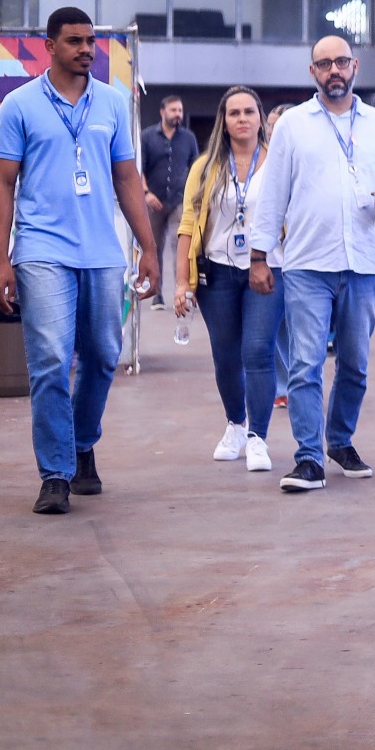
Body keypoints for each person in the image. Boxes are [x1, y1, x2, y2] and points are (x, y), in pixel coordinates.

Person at [0, 6, 160, 514]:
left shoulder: (111, 102)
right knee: (50, 363)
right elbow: (2, 183)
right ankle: (56, 474)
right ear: (50, 46)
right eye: (75, 41)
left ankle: (82, 442)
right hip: (42, 250)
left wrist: (148, 248)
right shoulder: (18, 105)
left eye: (91, 41)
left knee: (104, 354)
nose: (86, 49)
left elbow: (127, 179)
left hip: (102, 251)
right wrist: (2, 260)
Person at [248, 36, 375, 494]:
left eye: (341, 62)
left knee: (355, 364)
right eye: (324, 64)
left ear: (355, 66)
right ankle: (308, 458)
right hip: (306, 264)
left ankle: (339, 440)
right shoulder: (294, 125)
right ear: (312, 72)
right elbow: (273, 194)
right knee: (305, 362)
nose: (333, 70)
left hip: (363, 262)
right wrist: (259, 258)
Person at [174, 86, 283, 474]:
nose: (242, 119)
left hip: (266, 269)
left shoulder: (277, 162)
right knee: (225, 355)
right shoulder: (205, 167)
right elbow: (188, 224)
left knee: (257, 351)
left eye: (249, 112)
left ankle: (259, 438)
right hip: (214, 273)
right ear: (224, 120)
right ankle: (236, 424)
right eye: (234, 112)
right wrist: (181, 282)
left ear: (260, 117)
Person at [140, 94, 199, 309]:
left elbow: (195, 167)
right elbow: (139, 168)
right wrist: (146, 193)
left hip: (180, 200)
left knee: (180, 246)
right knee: (154, 247)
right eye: (174, 110)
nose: (178, 115)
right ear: (162, 112)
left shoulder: (188, 138)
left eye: (180, 111)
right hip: (153, 201)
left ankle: (180, 293)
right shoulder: (147, 137)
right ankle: (157, 295)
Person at [265, 102, 293, 409]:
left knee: (293, 329)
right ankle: (280, 386)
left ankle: (297, 382)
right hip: (269, 259)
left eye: (278, 125)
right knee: (272, 329)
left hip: (299, 257)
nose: (273, 131)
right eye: (270, 125)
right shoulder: (260, 160)